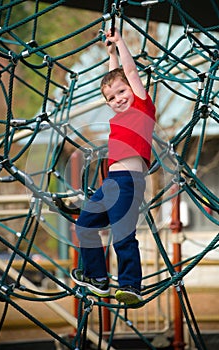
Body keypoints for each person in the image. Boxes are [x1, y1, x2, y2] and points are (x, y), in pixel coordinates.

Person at [70, 27, 155, 305]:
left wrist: (120, 43)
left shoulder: (142, 107)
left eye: (122, 93)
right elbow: (115, 78)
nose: (118, 98)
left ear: (135, 90)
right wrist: (110, 55)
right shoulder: (118, 114)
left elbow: (128, 75)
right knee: (84, 226)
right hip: (110, 183)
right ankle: (98, 278)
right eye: (111, 98)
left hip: (130, 182)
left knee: (122, 236)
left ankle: (131, 285)